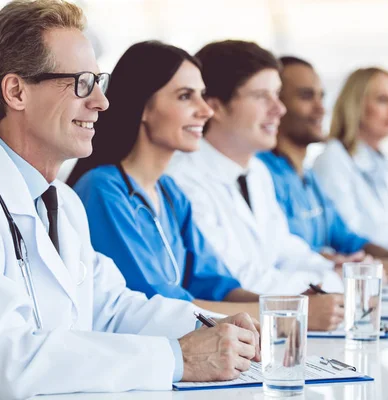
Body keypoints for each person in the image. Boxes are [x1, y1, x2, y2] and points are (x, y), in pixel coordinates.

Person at [0, 2, 260, 398]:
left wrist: (218, 327)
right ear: (16, 92)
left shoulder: (61, 202)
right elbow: (13, 364)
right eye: (82, 82)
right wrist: (177, 357)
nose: (102, 101)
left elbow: (112, 309)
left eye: (99, 80)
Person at [67, 41, 263, 318]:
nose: (205, 110)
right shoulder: (103, 190)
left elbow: (213, 283)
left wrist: (289, 305)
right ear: (142, 106)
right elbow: (161, 304)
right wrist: (272, 313)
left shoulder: (170, 192)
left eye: (202, 95)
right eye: (185, 96)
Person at [167, 40, 344, 331]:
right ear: (216, 107)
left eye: (277, 95)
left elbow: (285, 251)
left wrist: (329, 280)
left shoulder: (257, 171)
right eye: (263, 97)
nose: (279, 109)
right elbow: (238, 278)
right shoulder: (181, 179)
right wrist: (314, 296)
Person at [258, 57, 388, 281]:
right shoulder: (263, 173)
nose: (321, 108)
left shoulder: (307, 176)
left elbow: (347, 239)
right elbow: (280, 257)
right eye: (306, 96)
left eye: (321, 97)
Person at [312, 67, 388, 263]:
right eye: (383, 100)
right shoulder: (333, 159)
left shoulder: (385, 164)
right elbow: (349, 238)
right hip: (368, 271)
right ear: (355, 104)